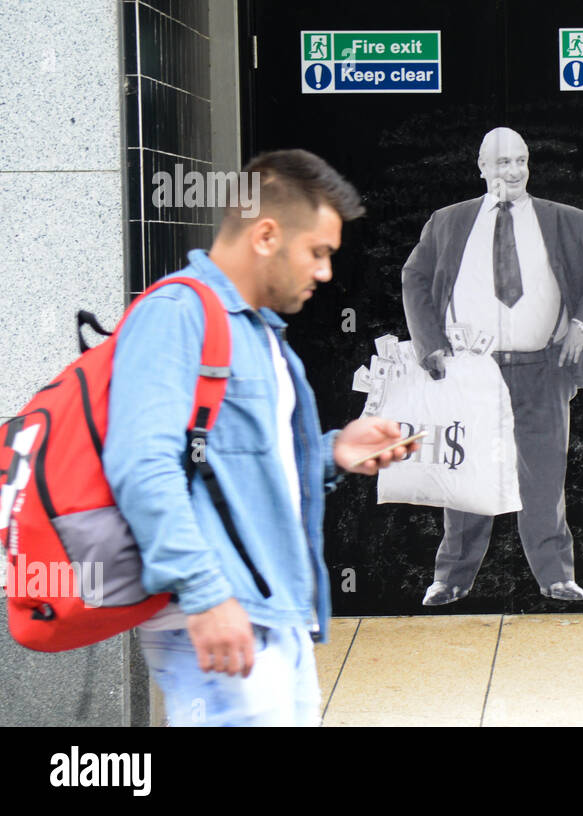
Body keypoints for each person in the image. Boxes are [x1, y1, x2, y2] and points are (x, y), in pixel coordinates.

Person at [104, 149, 419, 727]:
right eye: (318, 252)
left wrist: (333, 452)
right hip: (223, 626)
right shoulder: (177, 314)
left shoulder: (255, 331)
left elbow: (237, 466)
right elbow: (140, 464)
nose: (324, 272)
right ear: (267, 234)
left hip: (270, 618)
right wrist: (203, 593)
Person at [402, 127, 583, 604]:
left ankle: (556, 576)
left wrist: (582, 326)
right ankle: (452, 578)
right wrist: (431, 345)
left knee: (543, 476)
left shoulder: (567, 220)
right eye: (503, 163)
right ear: (481, 167)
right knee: (465, 474)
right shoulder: (448, 222)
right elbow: (414, 278)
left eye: (521, 161)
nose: (514, 171)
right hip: (470, 371)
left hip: (541, 367)